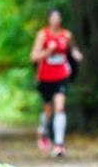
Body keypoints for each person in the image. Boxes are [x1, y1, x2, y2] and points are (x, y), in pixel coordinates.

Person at [30, 8, 83, 157]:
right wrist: (48, 51)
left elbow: (73, 50)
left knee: (60, 107)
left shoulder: (66, 35)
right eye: (53, 17)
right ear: (49, 19)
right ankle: (43, 130)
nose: (56, 20)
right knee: (48, 111)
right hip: (45, 76)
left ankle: (59, 145)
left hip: (62, 75)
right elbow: (33, 57)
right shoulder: (43, 34)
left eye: (58, 17)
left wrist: (76, 55)